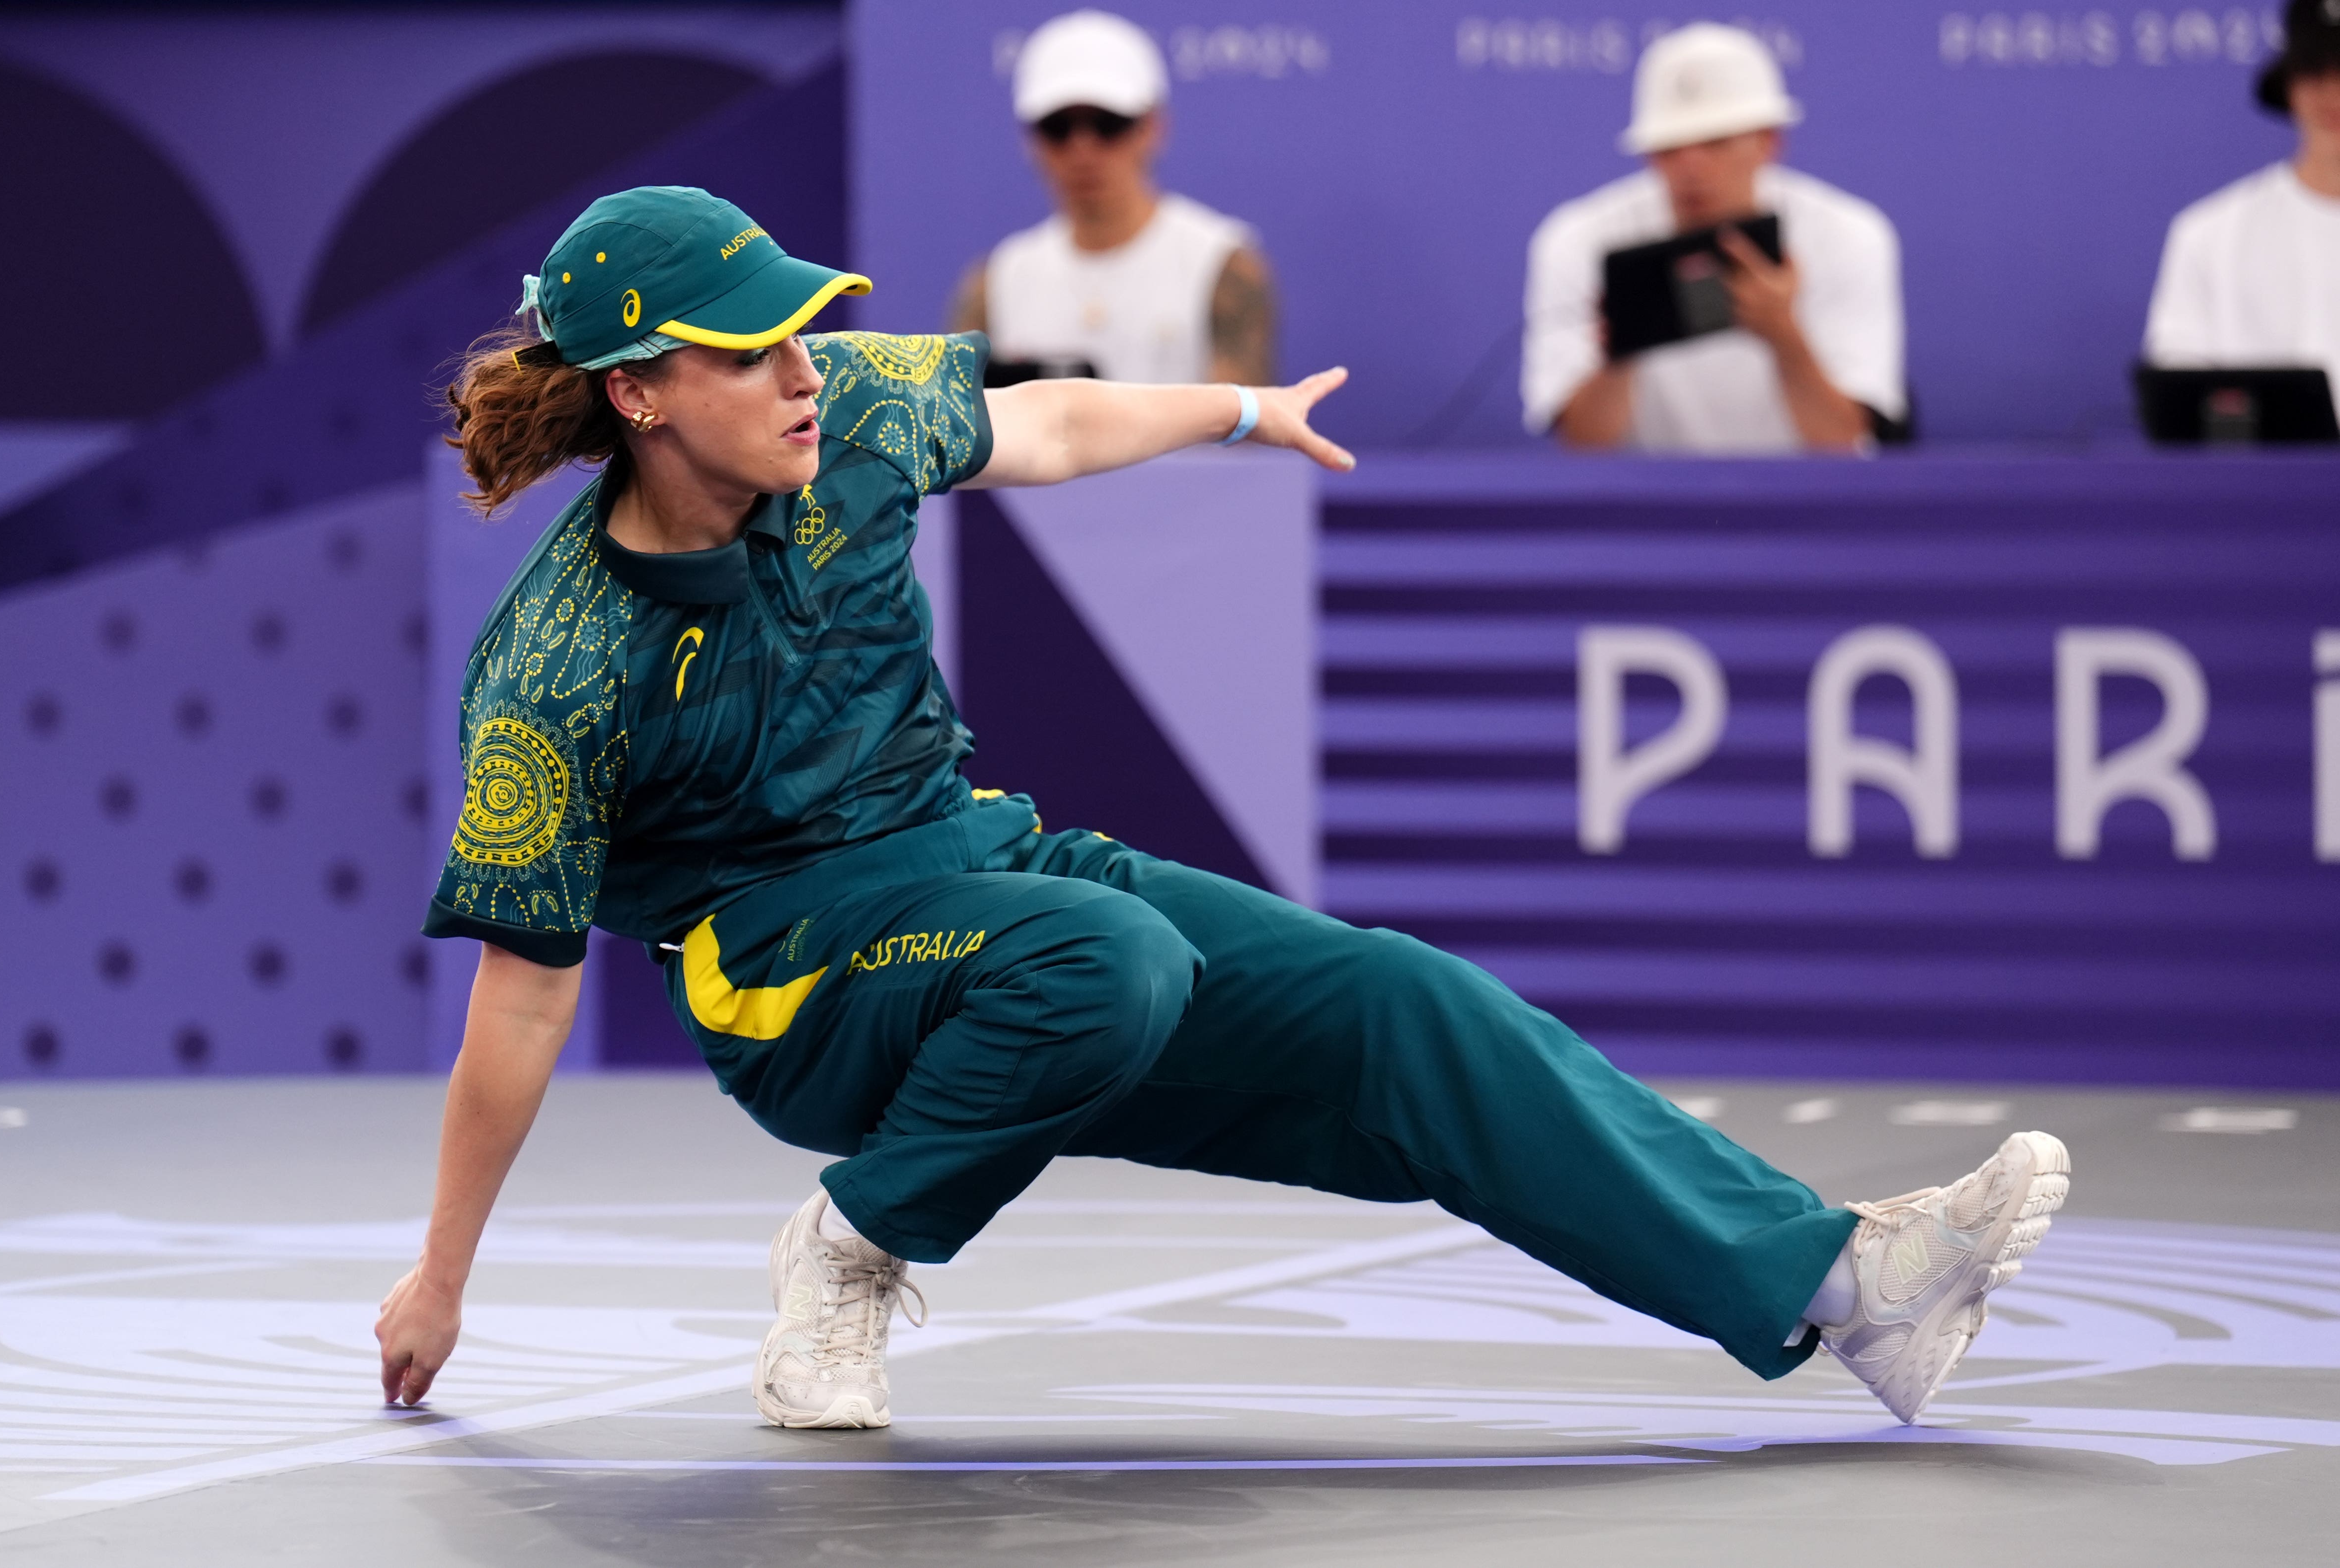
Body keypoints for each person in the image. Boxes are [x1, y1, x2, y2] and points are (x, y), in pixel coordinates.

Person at [378, 182, 2067, 1434]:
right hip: (786, 972)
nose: (798, 367)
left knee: (1397, 1005)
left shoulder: (852, 412)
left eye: (797, 326)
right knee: (1107, 958)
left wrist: (1244, 410)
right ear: (638, 393)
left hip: (983, 866)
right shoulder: (556, 665)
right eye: (744, 349)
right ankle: (852, 1246)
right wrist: (442, 1273)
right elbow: (523, 995)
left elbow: (1040, 425)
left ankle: (1845, 1287)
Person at [1522, 23, 1907, 453]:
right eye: (1669, 147)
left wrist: (1784, 334)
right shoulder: (1581, 240)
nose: (1692, 167)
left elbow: (1841, 442)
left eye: (1716, 142)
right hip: (1646, 504)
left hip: (1801, 504)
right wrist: (1622, 348)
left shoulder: (1848, 235)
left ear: (1769, 142)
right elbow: (1582, 446)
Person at [947, 9, 1274, 385]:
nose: (1083, 150)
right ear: (1031, 141)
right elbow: (956, 429)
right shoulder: (996, 281)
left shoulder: (1220, 264)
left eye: (1108, 124)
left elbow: (1242, 429)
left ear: (1152, 128)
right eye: (1058, 128)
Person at [2144, 0, 2340, 397]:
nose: (2333, 92)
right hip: (2260, 460)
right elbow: (2182, 390)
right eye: (2315, 70)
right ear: (2289, 86)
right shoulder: (2209, 234)